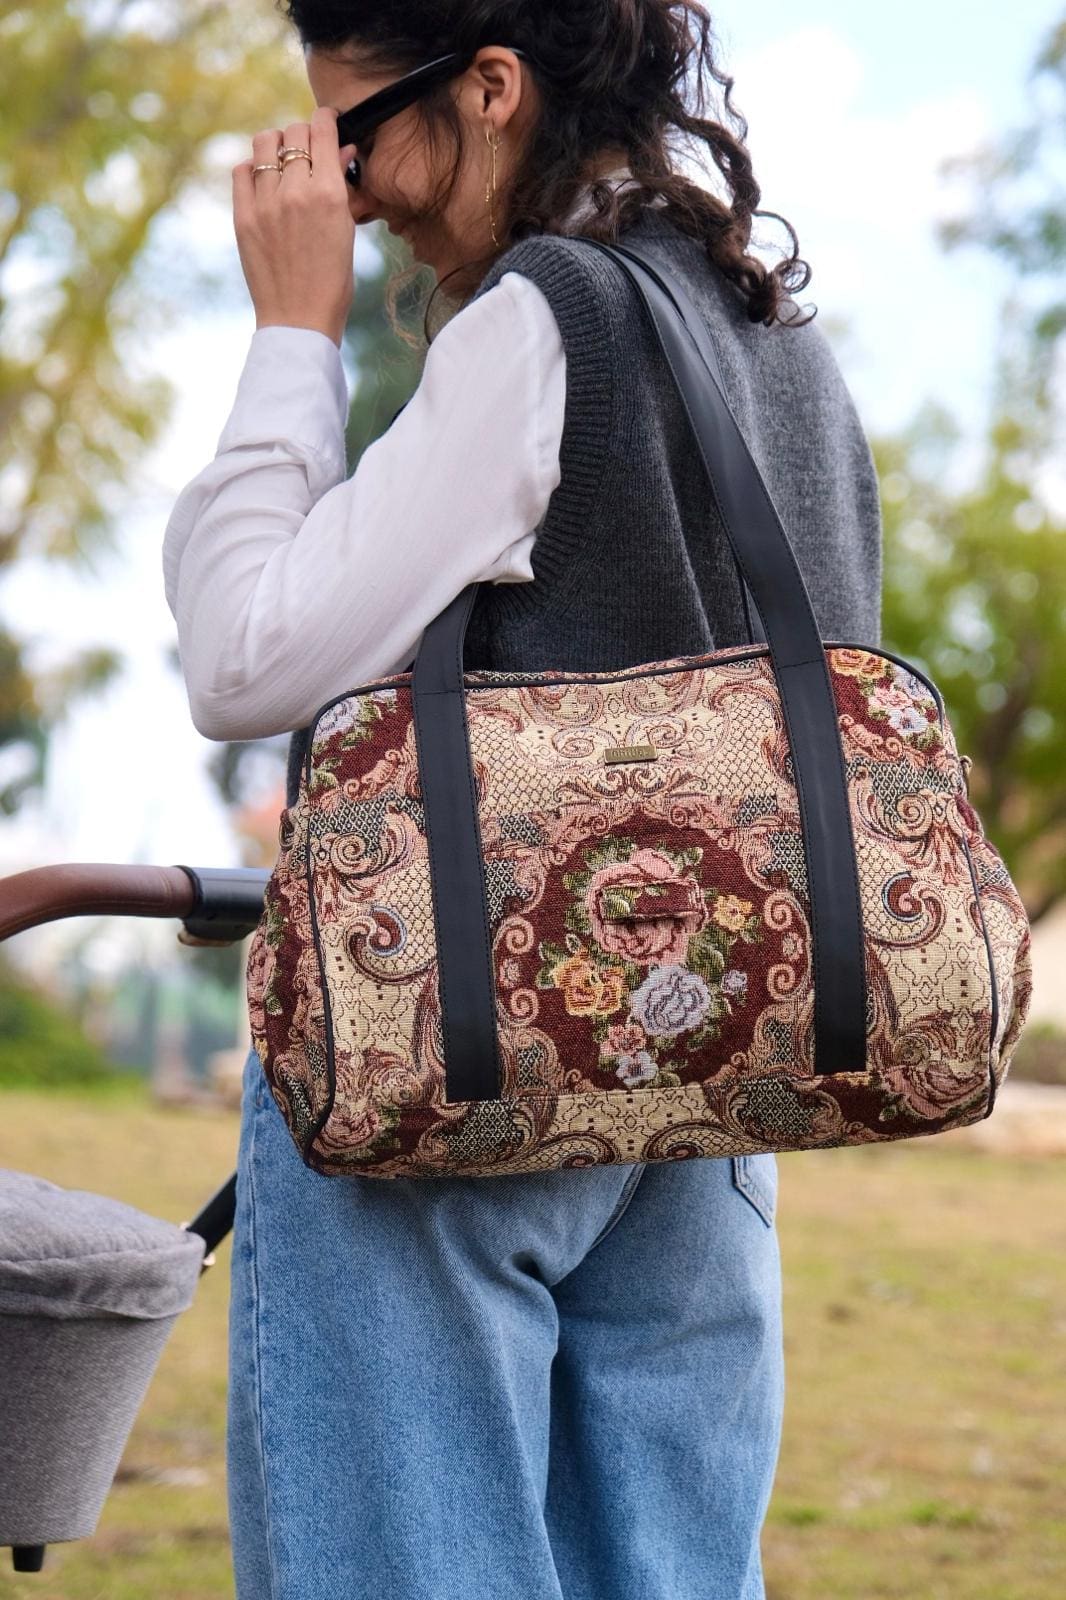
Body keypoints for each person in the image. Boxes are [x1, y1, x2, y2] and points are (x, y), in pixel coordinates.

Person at [162, 5, 883, 1597]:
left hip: (456, 1063)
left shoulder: (540, 319)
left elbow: (242, 657)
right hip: (705, 1078)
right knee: (665, 1570)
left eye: (352, 135)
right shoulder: (775, 334)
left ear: (488, 89)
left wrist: (291, 336)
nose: (346, 192)